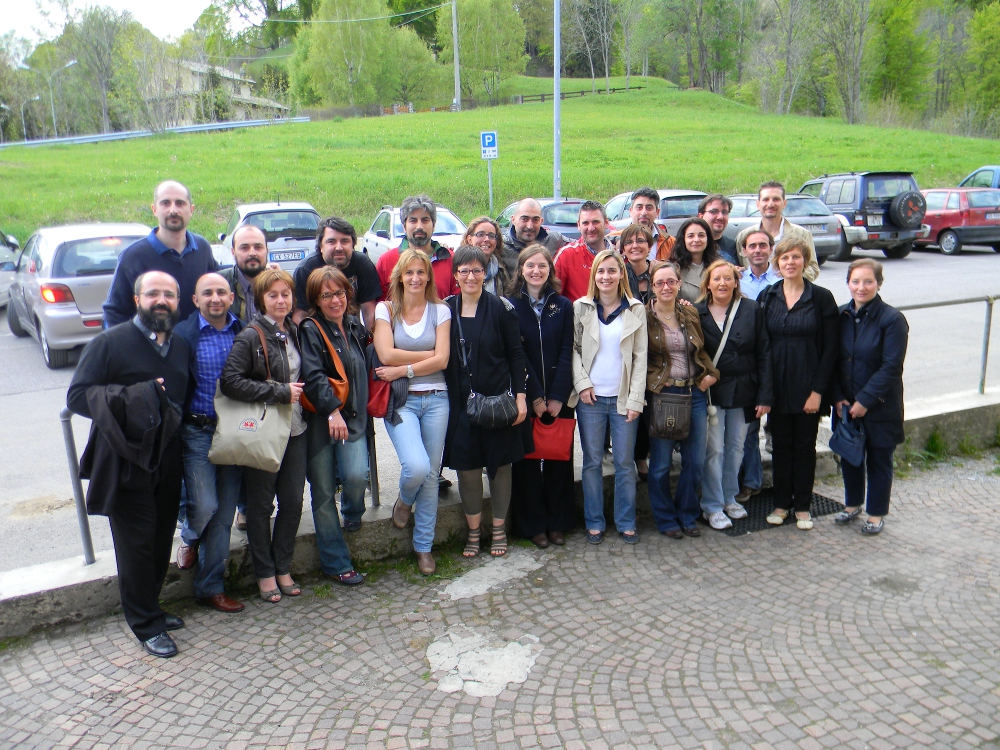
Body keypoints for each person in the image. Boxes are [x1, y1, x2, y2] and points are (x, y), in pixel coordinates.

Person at [68, 271, 191, 658]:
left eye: (169, 294)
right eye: (152, 293)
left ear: (178, 301)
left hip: (169, 455)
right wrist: (137, 397)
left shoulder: (180, 345)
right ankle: (145, 625)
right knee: (135, 543)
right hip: (126, 459)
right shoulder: (109, 343)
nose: (161, 300)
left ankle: (151, 606)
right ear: (137, 300)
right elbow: (78, 396)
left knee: (160, 537)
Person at [220, 268, 308, 602]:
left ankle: (283, 566)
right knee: (260, 505)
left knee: (293, 502)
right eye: (273, 295)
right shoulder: (251, 335)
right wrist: (279, 392)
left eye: (286, 294)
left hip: (296, 429)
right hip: (264, 429)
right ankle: (265, 572)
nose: (281, 300)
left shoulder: (294, 330)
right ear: (260, 299)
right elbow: (231, 381)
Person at [443, 245, 530, 558]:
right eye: (464, 270)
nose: (471, 276)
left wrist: (521, 397)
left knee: (500, 467)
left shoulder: (501, 308)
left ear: (485, 273)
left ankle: (499, 529)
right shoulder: (445, 309)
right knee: (467, 470)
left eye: (477, 270)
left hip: (496, 401)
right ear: (455, 275)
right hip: (460, 405)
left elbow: (516, 354)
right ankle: (473, 531)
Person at [374, 249, 451, 576]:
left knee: (431, 476)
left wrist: (404, 368)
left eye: (421, 272)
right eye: (409, 272)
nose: (415, 278)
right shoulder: (386, 309)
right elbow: (385, 354)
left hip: (437, 399)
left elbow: (443, 360)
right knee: (416, 466)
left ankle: (424, 547)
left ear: (429, 277)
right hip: (402, 400)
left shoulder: (441, 311)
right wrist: (427, 356)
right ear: (400, 277)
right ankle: (405, 500)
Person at [172, 273, 246, 614]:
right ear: (195, 300)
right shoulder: (183, 334)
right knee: (204, 506)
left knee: (224, 514)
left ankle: (210, 587)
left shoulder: (243, 331)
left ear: (231, 297)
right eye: (207, 293)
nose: (215, 298)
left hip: (233, 431)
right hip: (197, 431)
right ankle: (189, 537)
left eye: (221, 292)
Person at [759, 237, 839, 530]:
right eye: (784, 258)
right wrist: (764, 391)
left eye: (795, 257)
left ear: (805, 261)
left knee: (805, 447)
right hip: (777, 387)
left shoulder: (821, 297)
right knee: (780, 447)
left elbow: (831, 349)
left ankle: (803, 506)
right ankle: (781, 504)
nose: (790, 262)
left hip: (808, 386)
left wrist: (818, 391)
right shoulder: (768, 296)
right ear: (777, 263)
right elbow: (761, 345)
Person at [572, 249, 647, 545]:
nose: (606, 276)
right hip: (590, 399)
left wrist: (635, 399)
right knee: (591, 461)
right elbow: (573, 350)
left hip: (622, 398)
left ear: (621, 275)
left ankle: (626, 521)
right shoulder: (581, 307)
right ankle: (594, 521)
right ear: (594, 275)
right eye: (601, 271)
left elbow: (640, 358)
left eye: (612, 270)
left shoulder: (635, 309)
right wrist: (582, 384)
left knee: (625, 462)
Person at [299, 266, 367, 583]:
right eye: (326, 295)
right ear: (316, 299)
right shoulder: (310, 329)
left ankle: (353, 513)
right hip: (320, 422)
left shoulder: (355, 326)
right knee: (324, 492)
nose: (335, 300)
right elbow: (312, 376)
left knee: (356, 476)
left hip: (354, 419)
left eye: (339, 292)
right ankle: (336, 562)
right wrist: (331, 411)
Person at [832, 259, 908, 536]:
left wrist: (864, 401)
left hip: (880, 405)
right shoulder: (840, 315)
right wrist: (837, 396)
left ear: (878, 283)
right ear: (848, 283)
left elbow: (891, 367)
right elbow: (831, 360)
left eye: (868, 281)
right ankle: (852, 504)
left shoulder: (892, 319)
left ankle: (876, 513)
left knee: (879, 460)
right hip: (845, 404)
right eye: (855, 281)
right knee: (850, 457)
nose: (861, 287)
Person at [507, 244, 576, 548]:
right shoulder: (509, 306)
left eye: (542, 266)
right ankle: (533, 524)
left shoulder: (563, 305)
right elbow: (516, 353)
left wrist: (558, 394)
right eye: (530, 265)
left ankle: (558, 522)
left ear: (550, 270)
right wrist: (534, 395)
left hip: (560, 396)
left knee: (559, 459)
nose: (536, 271)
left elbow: (567, 350)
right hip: (525, 396)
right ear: (521, 269)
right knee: (527, 463)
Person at [644, 262, 718, 539]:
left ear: (678, 284)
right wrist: (653, 382)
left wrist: (711, 373)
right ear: (652, 287)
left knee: (695, 461)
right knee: (661, 463)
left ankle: (687, 514)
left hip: (694, 393)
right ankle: (666, 518)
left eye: (671, 282)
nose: (666, 287)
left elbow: (701, 350)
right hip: (664, 396)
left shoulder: (689, 311)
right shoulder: (643, 317)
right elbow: (636, 357)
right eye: (660, 282)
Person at [696, 261, 772, 530]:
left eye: (728, 278)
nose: (722, 283)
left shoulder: (751, 309)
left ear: (736, 282)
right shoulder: (696, 311)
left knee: (737, 446)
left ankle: (729, 497)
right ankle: (712, 505)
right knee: (714, 449)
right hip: (712, 391)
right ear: (708, 283)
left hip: (744, 389)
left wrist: (765, 395)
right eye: (716, 278)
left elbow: (764, 352)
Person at [104, 181, 219, 326]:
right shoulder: (133, 256)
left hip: (196, 338)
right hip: (152, 340)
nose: (173, 210)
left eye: (180, 203)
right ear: (154, 209)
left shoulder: (202, 248)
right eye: (165, 203)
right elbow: (115, 312)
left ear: (191, 209)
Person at [735, 229, 780, 504]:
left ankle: (787, 485)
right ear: (744, 251)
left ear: (771, 248)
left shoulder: (783, 278)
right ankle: (752, 481)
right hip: (751, 360)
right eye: (752, 246)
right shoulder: (738, 281)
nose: (758, 250)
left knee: (781, 426)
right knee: (749, 426)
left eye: (763, 245)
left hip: (781, 357)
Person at [293, 216, 381, 331]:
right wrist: (308, 339)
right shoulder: (306, 269)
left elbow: (369, 311)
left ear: (353, 245)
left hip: (351, 333)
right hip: (318, 334)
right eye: (331, 241)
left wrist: (371, 339)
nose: (339, 248)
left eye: (345, 241)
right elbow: (299, 314)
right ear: (321, 246)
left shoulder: (362, 264)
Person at [620, 223, 655, 481]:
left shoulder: (661, 272)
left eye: (641, 241)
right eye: (630, 242)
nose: (635, 246)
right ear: (622, 248)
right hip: (626, 349)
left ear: (650, 246)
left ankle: (643, 454)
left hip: (656, 349)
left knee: (651, 407)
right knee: (630, 406)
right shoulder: (617, 274)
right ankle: (630, 456)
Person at [375, 195, 459, 302]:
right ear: (404, 226)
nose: (419, 226)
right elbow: (378, 306)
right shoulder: (386, 261)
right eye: (413, 220)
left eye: (425, 220)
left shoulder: (451, 260)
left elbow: (459, 304)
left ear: (434, 225)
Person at [735, 181, 819, 280]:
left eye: (776, 199)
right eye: (765, 199)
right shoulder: (744, 236)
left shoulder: (801, 234)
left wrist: (790, 274)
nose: (770, 204)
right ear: (758, 204)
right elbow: (739, 268)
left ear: (784, 203)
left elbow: (813, 269)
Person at [554, 200, 613, 303]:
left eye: (595, 222)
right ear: (578, 225)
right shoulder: (566, 256)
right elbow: (552, 298)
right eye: (585, 223)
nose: (591, 228)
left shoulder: (619, 255)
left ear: (606, 223)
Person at [502, 198, 566, 275]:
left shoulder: (555, 240)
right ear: (513, 219)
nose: (530, 226)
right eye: (524, 219)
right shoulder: (501, 246)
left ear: (541, 221)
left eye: (535, 220)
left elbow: (578, 248)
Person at [610, 188, 674, 261]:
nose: (644, 213)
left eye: (649, 208)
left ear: (657, 212)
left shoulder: (670, 243)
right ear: (631, 211)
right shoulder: (614, 240)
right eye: (639, 207)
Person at [220, 225, 266, 324]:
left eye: (258, 247)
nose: (252, 253)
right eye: (244, 248)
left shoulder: (279, 284)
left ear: (267, 250)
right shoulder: (219, 284)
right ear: (233, 252)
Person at [672, 217, 720, 303]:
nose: (696, 240)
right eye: (691, 236)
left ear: (708, 239)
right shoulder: (674, 270)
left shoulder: (718, 266)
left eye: (701, 235)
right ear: (683, 239)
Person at [463, 217, 511, 296]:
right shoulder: (459, 267)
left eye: (491, 236)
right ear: (469, 239)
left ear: (496, 242)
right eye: (480, 234)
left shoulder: (501, 270)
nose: (486, 239)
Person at [698, 194, 737, 263]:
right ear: (701, 216)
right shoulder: (692, 244)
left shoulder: (733, 246)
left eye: (724, 212)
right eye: (714, 212)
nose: (720, 217)